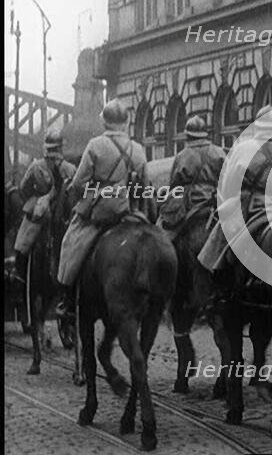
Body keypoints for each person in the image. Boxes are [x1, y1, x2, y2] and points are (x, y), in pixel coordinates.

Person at [197, 104, 272, 285]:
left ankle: (219, 287)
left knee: (219, 246)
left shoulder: (242, 149)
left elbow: (226, 187)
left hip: (246, 209)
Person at [56, 99, 147, 318]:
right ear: (126, 122)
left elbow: (78, 184)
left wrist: (82, 200)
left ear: (104, 122)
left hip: (100, 211)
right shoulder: (138, 149)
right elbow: (144, 186)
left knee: (71, 240)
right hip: (130, 211)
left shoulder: (95, 145)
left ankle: (67, 297)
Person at [12, 128, 77, 286]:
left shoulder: (35, 166)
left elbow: (23, 189)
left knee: (22, 244)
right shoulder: (70, 169)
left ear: (46, 147)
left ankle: (20, 274)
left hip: (40, 215)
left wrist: (36, 198)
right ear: (61, 147)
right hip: (63, 217)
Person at [157, 115, 226, 239]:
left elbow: (174, 184)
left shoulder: (181, 156)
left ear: (187, 136)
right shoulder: (219, 153)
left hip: (188, 205)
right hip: (213, 203)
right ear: (205, 135)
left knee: (161, 232)